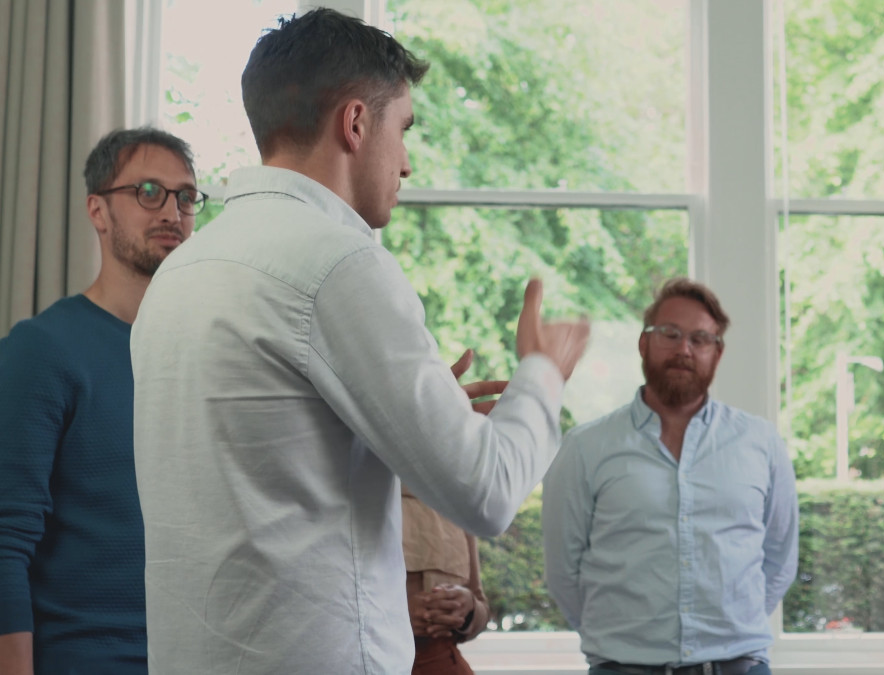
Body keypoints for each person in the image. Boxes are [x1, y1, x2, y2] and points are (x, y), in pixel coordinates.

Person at [129, 8, 589, 675]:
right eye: (403, 129)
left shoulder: (181, 272)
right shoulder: (339, 263)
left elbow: (261, 458)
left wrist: (406, 411)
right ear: (354, 123)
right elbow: (486, 492)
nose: (406, 162)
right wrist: (543, 372)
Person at [0, 127, 201, 674]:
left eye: (186, 196)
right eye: (148, 192)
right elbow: (5, 540)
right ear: (98, 210)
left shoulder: (205, 355)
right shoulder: (41, 350)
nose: (172, 212)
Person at [542, 278, 799, 675]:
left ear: (717, 352)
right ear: (643, 343)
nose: (684, 349)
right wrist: (622, 646)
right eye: (670, 334)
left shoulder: (761, 442)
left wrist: (730, 631)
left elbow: (780, 558)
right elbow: (564, 571)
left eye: (700, 339)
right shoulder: (585, 448)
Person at [404, 349, 494, 675]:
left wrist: (466, 610)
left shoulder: (453, 492)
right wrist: (394, 614)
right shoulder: (363, 483)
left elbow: (480, 603)